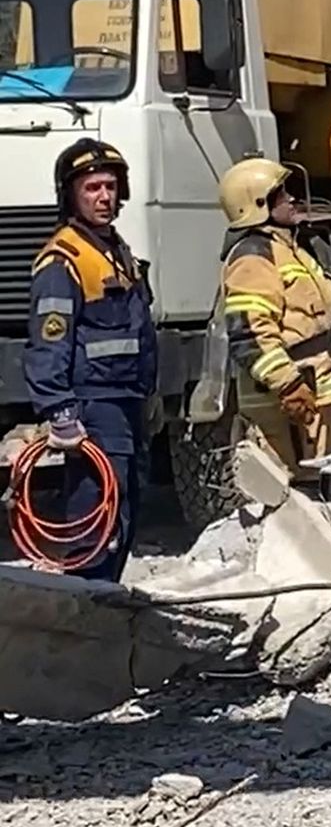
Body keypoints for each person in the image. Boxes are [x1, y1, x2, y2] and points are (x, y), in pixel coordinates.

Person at [23, 139, 156, 581]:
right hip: (94, 405)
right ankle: (87, 597)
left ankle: (106, 593)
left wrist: (149, 395)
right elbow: (49, 342)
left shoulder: (116, 251)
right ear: (71, 195)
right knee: (98, 509)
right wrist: (58, 409)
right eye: (92, 188)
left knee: (128, 503)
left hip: (127, 398)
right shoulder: (63, 260)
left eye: (110, 187)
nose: (104, 197)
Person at [216, 158, 331, 468]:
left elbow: (317, 320)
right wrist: (289, 385)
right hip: (289, 406)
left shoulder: (290, 249)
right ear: (258, 204)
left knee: (325, 482)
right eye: (280, 194)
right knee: (297, 488)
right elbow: (251, 336)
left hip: (316, 390)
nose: (291, 199)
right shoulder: (253, 257)